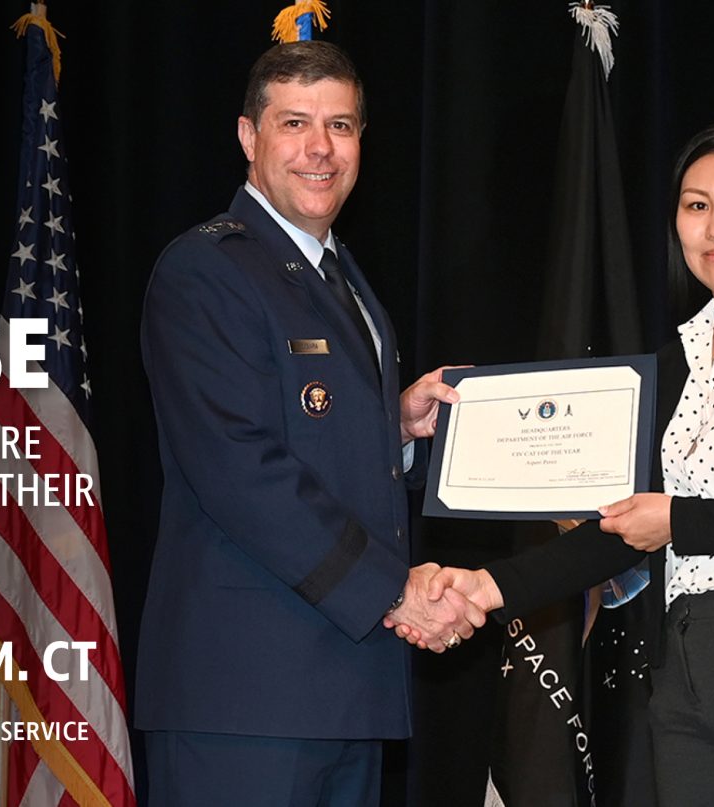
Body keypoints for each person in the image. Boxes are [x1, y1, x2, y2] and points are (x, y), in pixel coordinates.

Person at [405, 119, 714, 806]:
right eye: (697, 205)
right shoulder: (669, 365)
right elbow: (621, 526)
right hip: (681, 667)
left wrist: (680, 521)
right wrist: (485, 587)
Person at [135, 40, 485, 806]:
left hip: (344, 689)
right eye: (294, 123)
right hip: (245, 697)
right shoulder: (207, 269)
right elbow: (238, 468)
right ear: (248, 136)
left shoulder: (342, 276)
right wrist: (393, 591)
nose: (320, 148)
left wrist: (395, 428)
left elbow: (306, 432)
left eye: (341, 125)